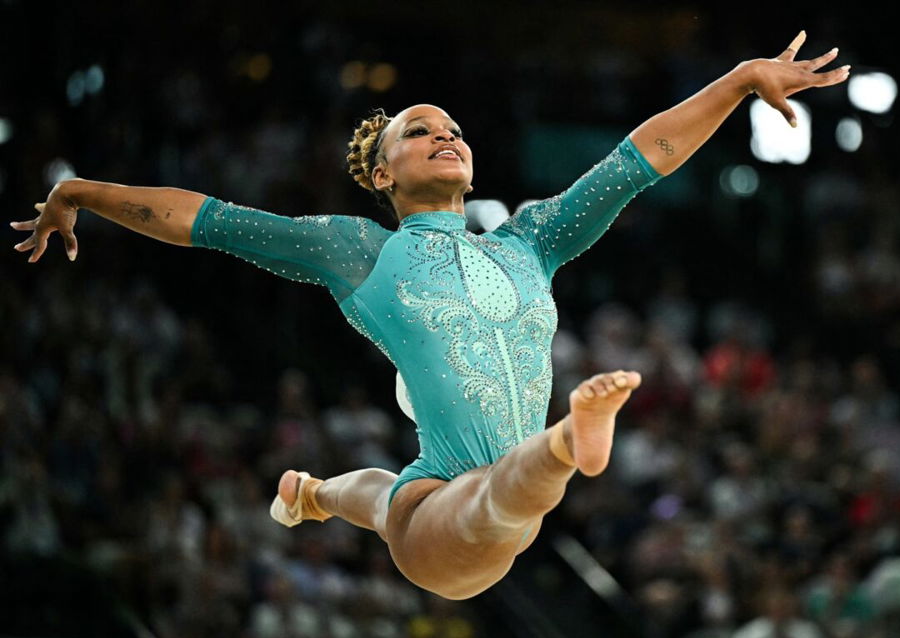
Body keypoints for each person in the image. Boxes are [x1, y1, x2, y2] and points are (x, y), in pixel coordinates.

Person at [10, 31, 849, 600]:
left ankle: (313, 493)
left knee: (390, 499)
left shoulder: (529, 240)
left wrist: (739, 81)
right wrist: (82, 191)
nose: (446, 136)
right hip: (449, 526)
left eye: (452, 129)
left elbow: (638, 160)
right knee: (492, 498)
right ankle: (567, 442)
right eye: (419, 133)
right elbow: (207, 219)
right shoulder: (361, 253)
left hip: (436, 498)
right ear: (381, 175)